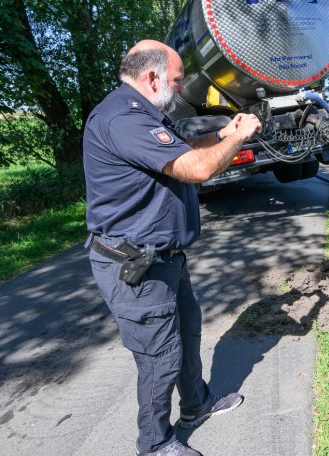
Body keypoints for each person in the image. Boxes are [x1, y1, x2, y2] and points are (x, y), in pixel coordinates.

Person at [84, 40, 262, 456]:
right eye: (178, 80)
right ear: (152, 77)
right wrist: (241, 138)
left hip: (163, 259)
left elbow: (180, 150)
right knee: (159, 357)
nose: (181, 88)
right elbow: (196, 168)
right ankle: (155, 443)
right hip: (136, 267)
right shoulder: (122, 118)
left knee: (187, 331)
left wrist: (224, 132)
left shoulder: (143, 114)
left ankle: (196, 405)